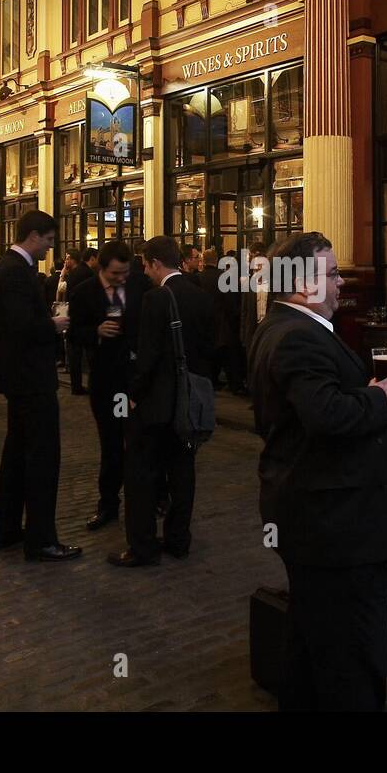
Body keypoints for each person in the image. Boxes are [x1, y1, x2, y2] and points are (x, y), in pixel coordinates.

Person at [248, 231, 387, 711]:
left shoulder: (287, 326)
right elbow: (327, 415)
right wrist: (378, 397)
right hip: (334, 524)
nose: (341, 284)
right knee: (350, 652)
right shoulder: (297, 336)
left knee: (311, 638)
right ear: (300, 285)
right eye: (333, 274)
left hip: (319, 517)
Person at [108, 236, 213, 567]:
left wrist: (134, 395)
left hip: (157, 404)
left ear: (154, 263)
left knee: (141, 474)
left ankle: (142, 546)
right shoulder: (200, 295)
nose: (145, 270)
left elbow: (149, 357)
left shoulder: (156, 299)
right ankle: (179, 538)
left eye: (145, 264)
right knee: (183, 471)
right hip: (189, 402)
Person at [0, 209, 80, 562]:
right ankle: (41, 539)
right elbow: (22, 327)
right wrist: (55, 324)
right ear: (33, 236)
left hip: (20, 379)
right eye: (48, 240)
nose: (50, 248)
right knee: (42, 458)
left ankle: (8, 529)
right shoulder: (15, 271)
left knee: (16, 454)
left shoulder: (9, 267)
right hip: (30, 379)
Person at [69, 240, 145, 531]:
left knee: (141, 442)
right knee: (111, 445)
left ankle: (149, 499)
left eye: (125, 273)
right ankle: (108, 504)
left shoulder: (139, 285)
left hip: (136, 378)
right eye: (115, 274)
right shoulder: (83, 294)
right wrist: (96, 332)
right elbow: (74, 334)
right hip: (106, 380)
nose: (121, 279)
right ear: (101, 269)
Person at [199, 247, 244, 394]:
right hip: (223, 322)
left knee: (210, 356)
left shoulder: (198, 278)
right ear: (217, 260)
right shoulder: (224, 277)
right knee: (230, 357)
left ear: (203, 261)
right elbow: (231, 303)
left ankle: (212, 381)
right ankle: (235, 385)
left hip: (205, 322)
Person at [63, 247, 98, 395]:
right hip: (87, 319)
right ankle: (94, 384)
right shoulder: (90, 274)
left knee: (75, 357)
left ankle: (76, 386)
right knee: (91, 356)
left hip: (73, 317)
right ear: (92, 258)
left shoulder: (73, 273)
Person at [239, 238, 270, 353]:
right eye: (256, 266)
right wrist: (243, 335)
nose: (258, 269)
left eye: (261, 265)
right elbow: (244, 311)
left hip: (269, 330)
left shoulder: (274, 286)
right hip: (252, 331)